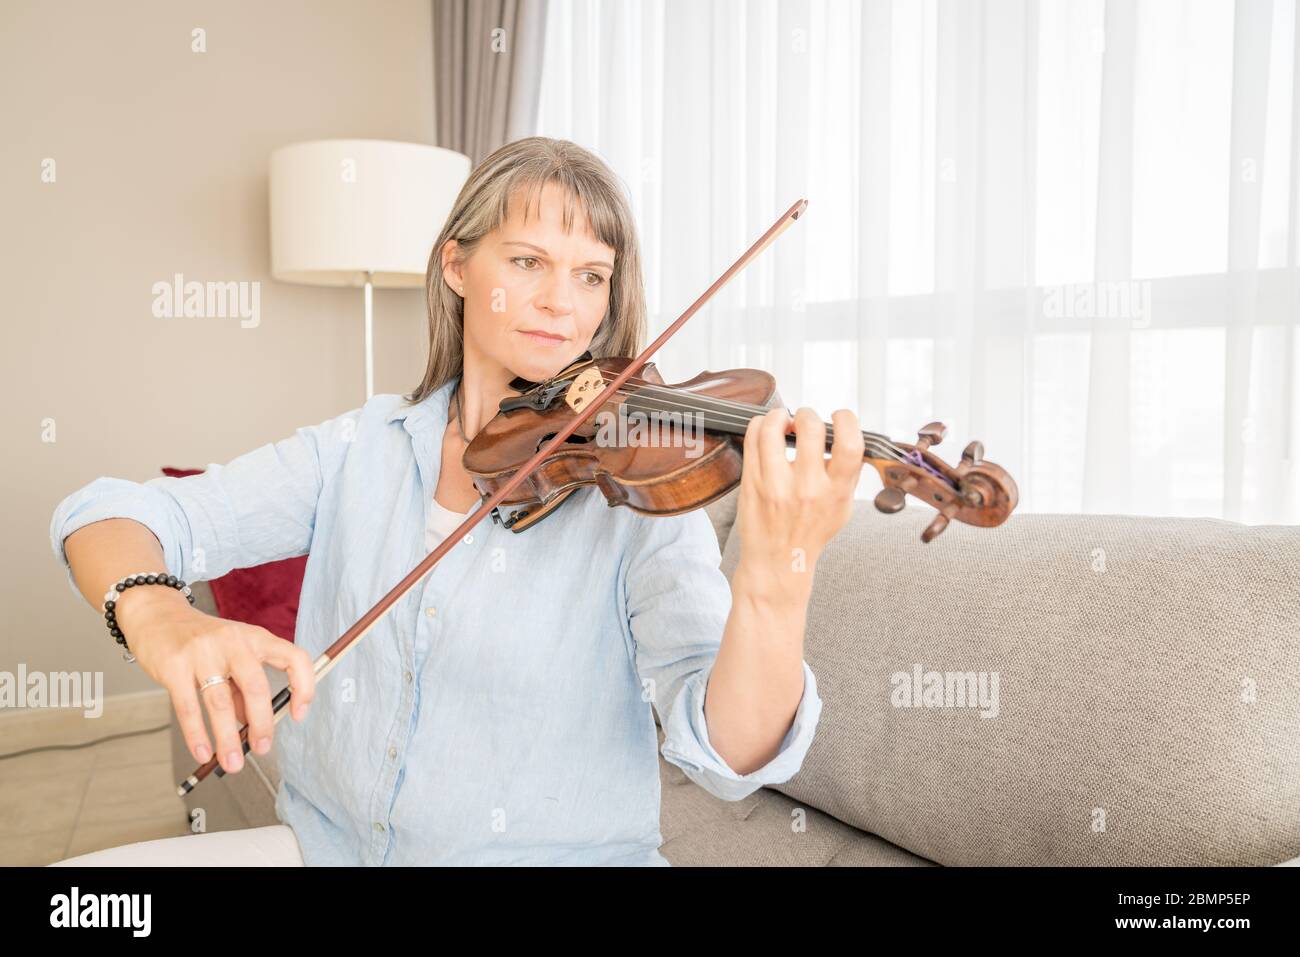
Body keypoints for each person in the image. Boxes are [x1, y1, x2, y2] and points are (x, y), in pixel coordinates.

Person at [48, 136, 863, 866]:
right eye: (528, 261)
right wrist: (160, 614)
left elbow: (729, 755)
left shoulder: (635, 493)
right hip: (328, 849)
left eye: (591, 275)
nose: (562, 302)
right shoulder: (361, 447)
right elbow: (109, 515)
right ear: (456, 266)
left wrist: (776, 578)